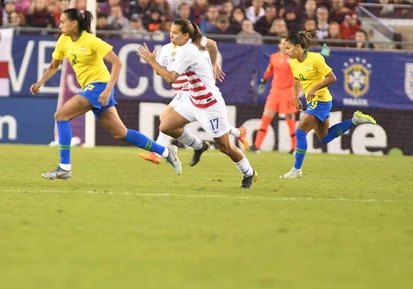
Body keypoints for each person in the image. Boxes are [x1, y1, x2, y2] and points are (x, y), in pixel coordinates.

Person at [30, 9, 181, 180]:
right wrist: (40, 82)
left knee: (61, 115)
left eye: (63, 21)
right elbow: (53, 66)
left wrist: (107, 90)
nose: (59, 25)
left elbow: (117, 63)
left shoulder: (92, 41)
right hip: (92, 88)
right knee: (120, 133)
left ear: (74, 23)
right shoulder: (63, 41)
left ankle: (64, 167)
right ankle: (166, 151)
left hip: (99, 86)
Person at [138, 19, 258, 189]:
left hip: (210, 105)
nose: (171, 35)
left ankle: (248, 172)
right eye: (171, 31)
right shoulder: (197, 40)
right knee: (166, 126)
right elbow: (213, 45)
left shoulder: (187, 52)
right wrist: (214, 65)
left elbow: (171, 78)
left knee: (225, 147)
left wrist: (152, 61)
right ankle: (199, 145)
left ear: (185, 35)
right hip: (193, 100)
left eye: (175, 33)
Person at [280, 32, 377, 179]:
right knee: (324, 138)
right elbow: (296, 81)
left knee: (300, 132)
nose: (286, 51)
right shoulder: (293, 62)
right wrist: (295, 98)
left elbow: (332, 77)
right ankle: (354, 121)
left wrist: (313, 88)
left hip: (321, 100)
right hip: (313, 101)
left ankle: (296, 170)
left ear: (298, 47)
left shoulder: (316, 59)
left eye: (288, 48)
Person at [250, 37, 297, 153]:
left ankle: (295, 147)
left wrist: (321, 54)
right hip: (275, 91)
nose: (284, 46)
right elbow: (269, 70)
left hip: (287, 91)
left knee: (290, 119)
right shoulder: (274, 57)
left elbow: (306, 59)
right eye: (282, 43)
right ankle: (257, 145)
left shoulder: (293, 58)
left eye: (287, 44)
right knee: (266, 116)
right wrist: (263, 81)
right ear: (279, 45)